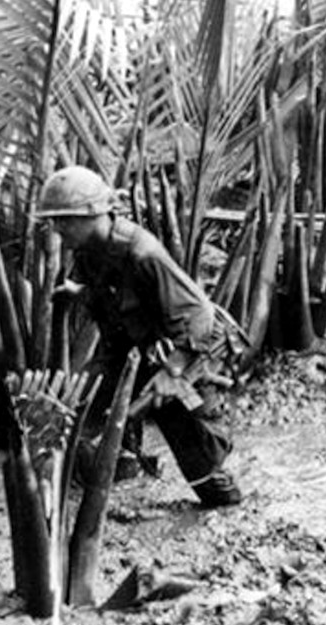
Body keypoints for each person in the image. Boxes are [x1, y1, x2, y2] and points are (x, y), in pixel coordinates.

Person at [35, 165, 243, 508]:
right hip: (129, 352)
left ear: (94, 213)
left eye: (65, 220)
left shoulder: (142, 252)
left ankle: (226, 507)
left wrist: (173, 370)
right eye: (54, 221)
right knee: (76, 412)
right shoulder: (87, 250)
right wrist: (80, 292)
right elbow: (115, 297)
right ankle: (113, 475)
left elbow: (200, 316)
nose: (58, 229)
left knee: (200, 459)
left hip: (184, 352)